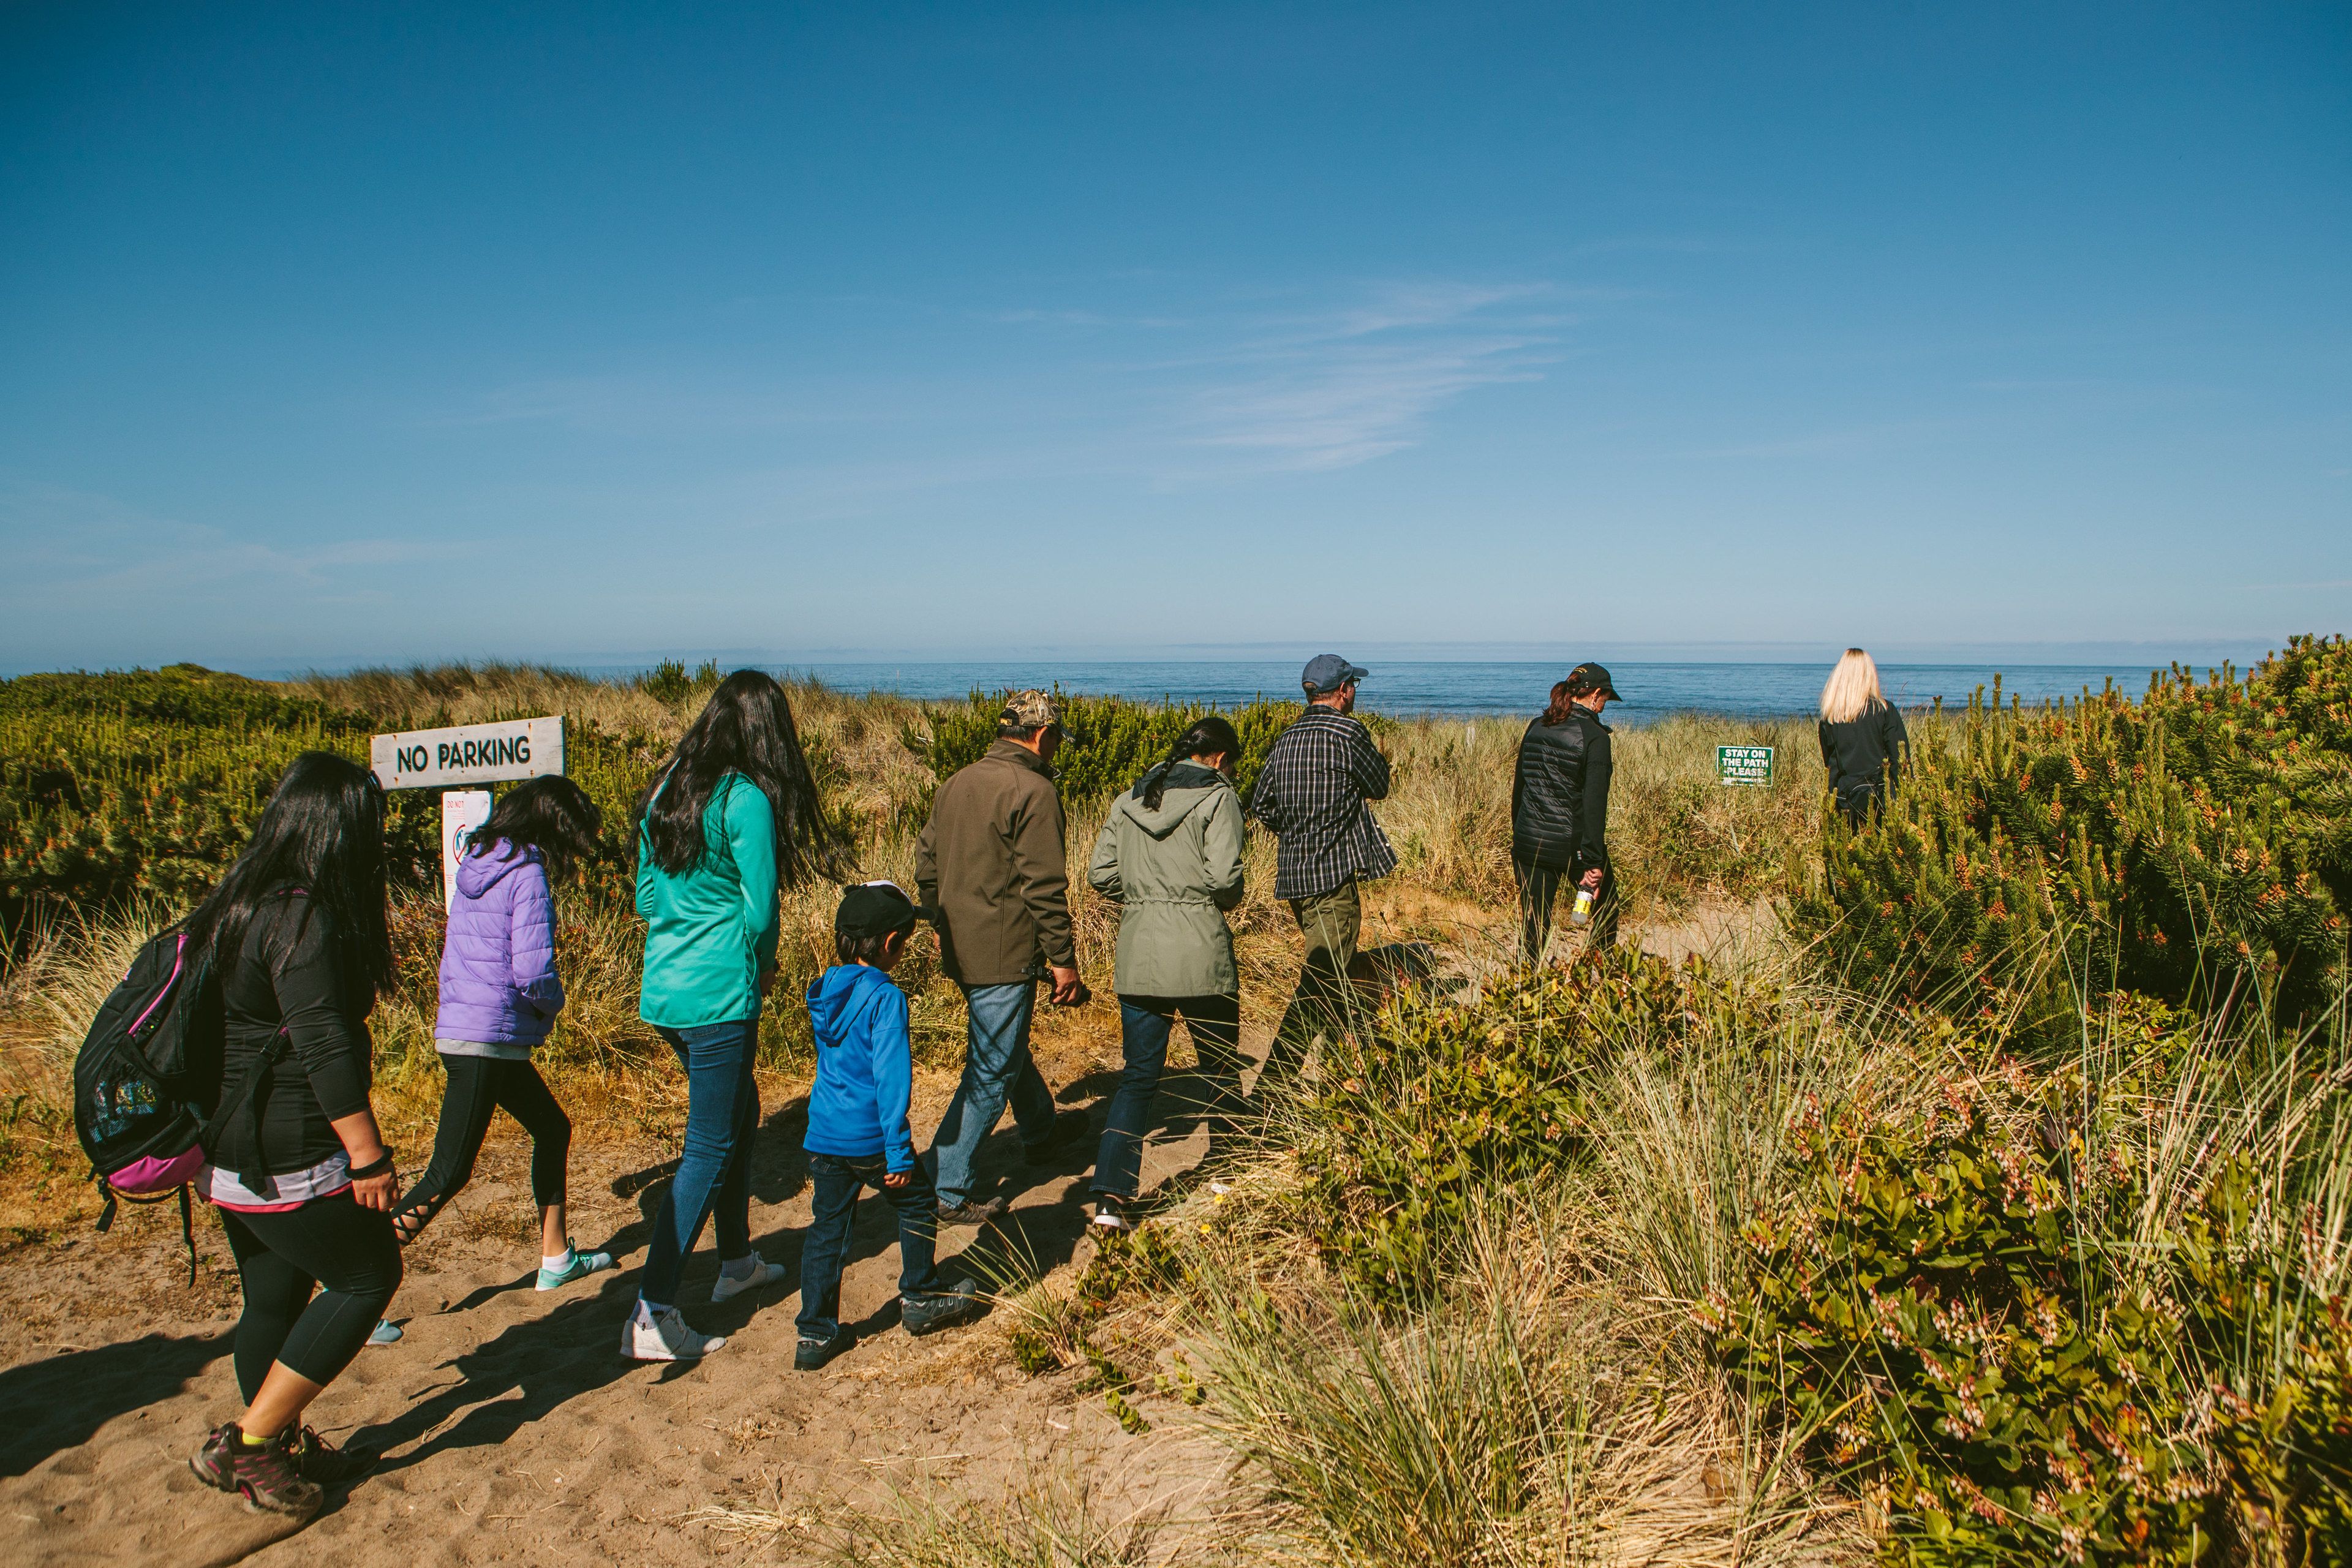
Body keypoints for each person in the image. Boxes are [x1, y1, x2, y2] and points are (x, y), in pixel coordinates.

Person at [183, 752, 402, 1521]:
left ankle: (278, 1445)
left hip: (229, 1147)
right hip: (290, 1150)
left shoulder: (236, 900)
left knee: (273, 1300)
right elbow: (323, 1044)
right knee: (368, 1276)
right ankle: (249, 1442)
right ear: (337, 829)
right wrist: (368, 1155)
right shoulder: (300, 915)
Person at [625, 669, 840, 1362]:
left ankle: (737, 1259)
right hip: (719, 993)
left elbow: (646, 898)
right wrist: (764, 963)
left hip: (666, 989)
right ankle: (654, 1309)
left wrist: (687, 918)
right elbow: (761, 908)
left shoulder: (668, 787)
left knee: (740, 1114)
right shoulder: (744, 798)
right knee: (710, 1145)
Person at [365, 777, 614, 1348]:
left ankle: (556, 1257)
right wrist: (553, 1006)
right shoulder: (527, 874)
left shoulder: (477, 865)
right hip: (486, 1040)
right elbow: (532, 972)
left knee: (552, 1127)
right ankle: (356, 1287)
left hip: (467, 1030)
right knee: (449, 1172)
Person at [917, 689, 1093, 1226]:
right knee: (992, 1069)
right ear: (1041, 735)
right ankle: (946, 1187)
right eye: (1057, 737)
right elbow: (1044, 887)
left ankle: (1040, 1132)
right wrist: (1063, 958)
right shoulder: (1034, 790)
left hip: (961, 944)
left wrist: (938, 922)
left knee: (1004, 1048)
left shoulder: (957, 783)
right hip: (1005, 950)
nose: (1058, 747)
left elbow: (926, 863)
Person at [794, 882, 986, 1371]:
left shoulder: (825, 991)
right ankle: (921, 1294)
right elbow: (890, 1081)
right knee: (918, 1202)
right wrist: (899, 1151)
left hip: (824, 1134)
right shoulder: (886, 998)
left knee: (827, 1230)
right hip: (871, 1139)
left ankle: (815, 1333)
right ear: (889, 943)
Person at [1085, 715, 1248, 1231]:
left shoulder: (1131, 797)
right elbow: (1225, 879)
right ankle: (1230, 1171)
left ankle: (1110, 1200)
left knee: (1138, 1077)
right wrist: (1207, 899)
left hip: (1140, 949)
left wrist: (1143, 898)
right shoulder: (1219, 798)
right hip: (1200, 947)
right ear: (1220, 759)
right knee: (1220, 1067)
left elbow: (1099, 874)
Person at [1249, 655, 1396, 1091]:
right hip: (1332, 878)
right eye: (1354, 686)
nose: (1355, 693)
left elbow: (1261, 804)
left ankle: (1350, 1077)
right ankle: (1272, 1090)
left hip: (1296, 876)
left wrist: (1298, 831)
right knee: (1322, 983)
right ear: (1344, 691)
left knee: (1337, 975)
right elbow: (1380, 786)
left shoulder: (1287, 738)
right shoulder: (1348, 733)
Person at [1510, 663, 1623, 962]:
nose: (1604, 707)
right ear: (1595, 695)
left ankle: (1525, 983)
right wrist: (1594, 862)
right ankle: (1602, 976)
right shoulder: (1596, 737)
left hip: (1529, 840)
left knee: (1534, 921)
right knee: (1607, 908)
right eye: (1605, 700)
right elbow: (1595, 805)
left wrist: (1520, 833)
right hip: (1572, 847)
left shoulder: (1536, 725)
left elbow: (1520, 787)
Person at [1819, 648, 1909, 826]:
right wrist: (1906, 798)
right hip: (1881, 797)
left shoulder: (1830, 717)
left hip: (1843, 798)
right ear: (1869, 675)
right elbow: (1900, 759)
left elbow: (1829, 763)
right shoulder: (1884, 710)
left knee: (1846, 842)